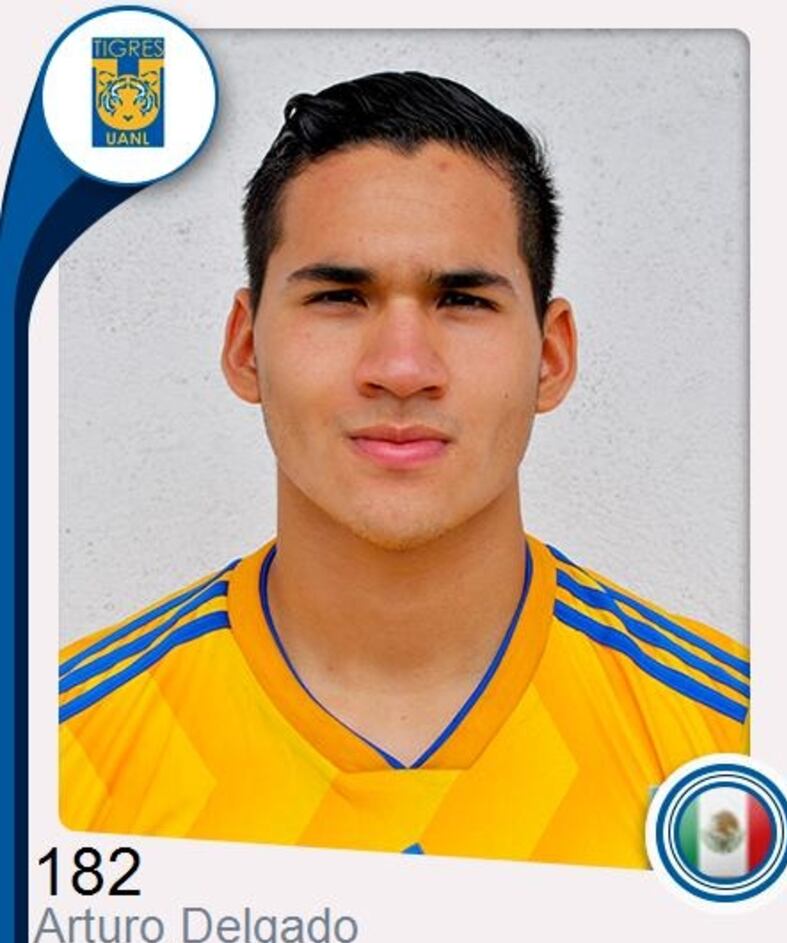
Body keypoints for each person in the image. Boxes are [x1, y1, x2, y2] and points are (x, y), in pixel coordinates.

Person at [59, 71, 748, 868]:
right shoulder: (59, 756)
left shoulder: (736, 748)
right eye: (339, 296)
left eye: (463, 300)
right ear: (246, 347)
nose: (401, 368)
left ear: (551, 357)